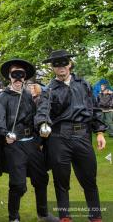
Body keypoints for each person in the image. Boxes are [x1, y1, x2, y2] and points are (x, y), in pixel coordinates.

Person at [35, 50, 107, 222]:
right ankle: (65, 217)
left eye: (63, 63)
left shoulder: (84, 85)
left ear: (69, 64)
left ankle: (95, 216)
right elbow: (43, 110)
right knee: (61, 181)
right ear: (52, 68)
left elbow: (95, 109)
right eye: (56, 64)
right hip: (59, 138)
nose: (61, 67)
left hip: (82, 135)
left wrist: (100, 132)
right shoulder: (49, 89)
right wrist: (43, 123)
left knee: (89, 179)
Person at [0, 59, 57, 222]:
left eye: (20, 75)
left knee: (41, 178)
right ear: (9, 77)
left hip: (32, 143)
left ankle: (43, 214)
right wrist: (4, 135)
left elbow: (37, 117)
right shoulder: (3, 97)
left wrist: (39, 139)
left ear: (24, 78)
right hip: (14, 145)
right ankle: (13, 217)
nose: (17, 79)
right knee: (17, 184)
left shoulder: (29, 95)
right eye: (14, 75)